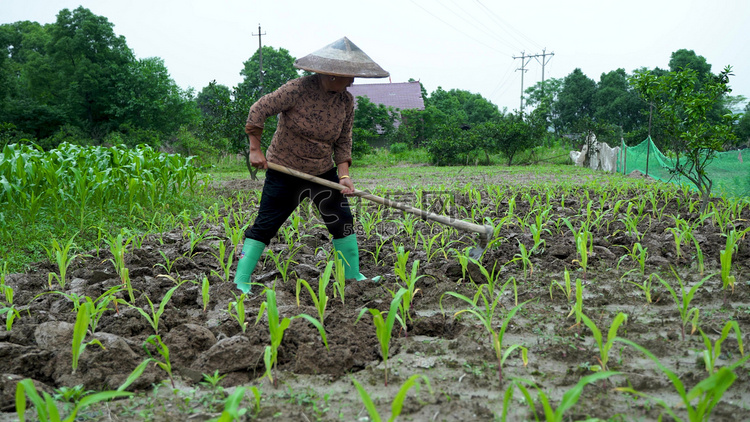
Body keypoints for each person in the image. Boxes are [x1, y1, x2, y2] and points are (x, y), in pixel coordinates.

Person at [234, 37, 389, 294]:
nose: (351, 82)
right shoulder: (297, 89)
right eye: (348, 76)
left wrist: (344, 176)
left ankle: (353, 277)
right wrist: (255, 150)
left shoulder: (345, 102)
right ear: (330, 75)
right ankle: (241, 280)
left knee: (343, 221)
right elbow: (258, 109)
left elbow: (343, 140)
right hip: (285, 170)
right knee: (266, 224)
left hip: (321, 172)